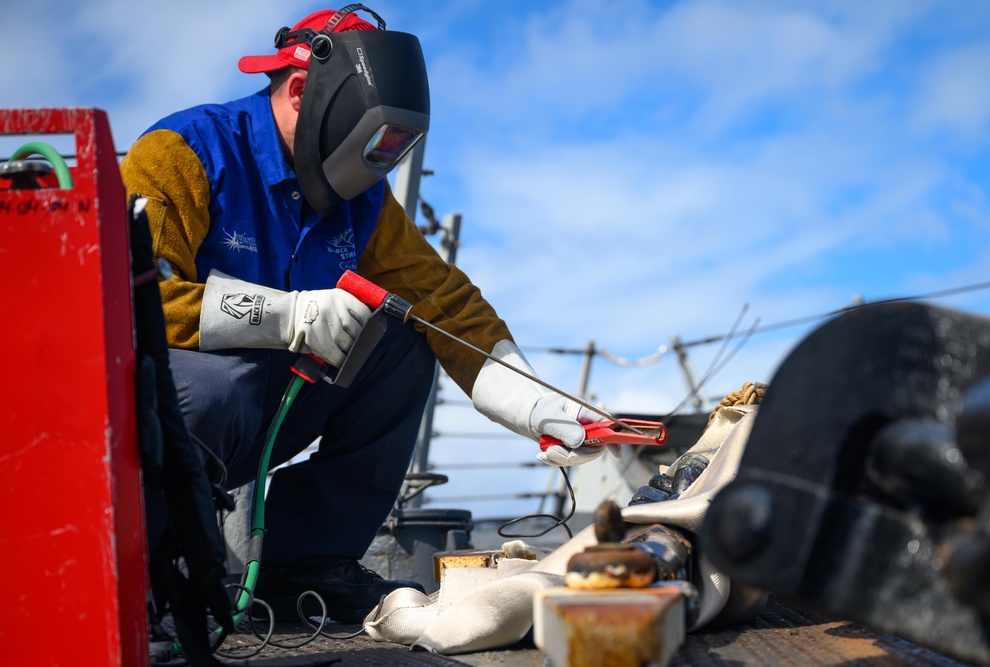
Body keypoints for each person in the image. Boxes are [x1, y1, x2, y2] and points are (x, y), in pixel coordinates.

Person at [120, 4, 618, 624]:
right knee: (216, 384)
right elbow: (126, 305)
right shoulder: (184, 154)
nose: (379, 163)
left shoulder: (364, 204)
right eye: (371, 140)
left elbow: (445, 304)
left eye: (394, 147)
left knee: (403, 344)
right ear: (302, 91)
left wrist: (538, 404)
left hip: (264, 412)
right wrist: (289, 316)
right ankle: (139, 576)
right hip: (170, 419)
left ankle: (305, 567)